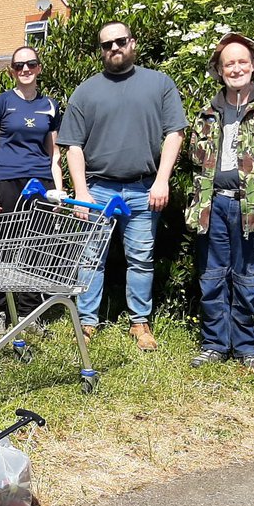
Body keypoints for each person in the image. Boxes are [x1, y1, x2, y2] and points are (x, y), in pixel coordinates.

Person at [57, 21, 187, 349]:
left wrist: (162, 180)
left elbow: (175, 133)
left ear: (133, 43)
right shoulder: (86, 91)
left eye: (120, 41)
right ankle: (87, 323)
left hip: (145, 189)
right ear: (100, 51)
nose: (114, 48)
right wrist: (81, 192)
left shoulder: (159, 84)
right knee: (90, 259)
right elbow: (73, 146)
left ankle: (140, 324)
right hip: (97, 189)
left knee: (141, 259)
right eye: (106, 45)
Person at [185, 33, 254, 375]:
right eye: (228, 64)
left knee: (248, 279)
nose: (236, 68)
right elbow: (194, 161)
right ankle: (214, 345)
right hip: (212, 206)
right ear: (219, 71)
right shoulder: (207, 112)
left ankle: (248, 348)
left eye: (241, 62)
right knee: (212, 277)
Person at [0, 46, 63, 335]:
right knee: (1, 247)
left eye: (31, 64)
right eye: (19, 65)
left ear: (39, 68)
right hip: (6, 182)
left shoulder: (50, 105)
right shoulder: (0, 103)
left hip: (40, 185)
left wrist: (59, 191)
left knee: (35, 250)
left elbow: (54, 156)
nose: (25, 70)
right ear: (12, 70)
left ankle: (28, 315)